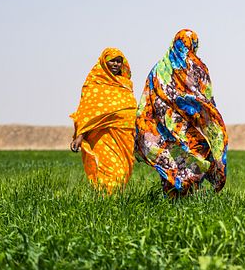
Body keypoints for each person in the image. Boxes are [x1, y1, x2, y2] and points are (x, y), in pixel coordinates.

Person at [135, 29, 228, 198]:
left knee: (176, 156)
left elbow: (145, 101)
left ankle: (180, 195)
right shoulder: (195, 67)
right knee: (195, 152)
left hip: (165, 125)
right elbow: (205, 97)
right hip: (176, 124)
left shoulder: (158, 69)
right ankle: (180, 196)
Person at [69, 48, 138, 194]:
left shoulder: (126, 84)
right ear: (104, 62)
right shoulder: (95, 83)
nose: (115, 64)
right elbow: (88, 112)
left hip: (125, 137)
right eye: (112, 60)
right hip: (103, 136)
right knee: (110, 170)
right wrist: (80, 136)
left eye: (119, 61)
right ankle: (106, 202)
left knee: (123, 171)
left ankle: (115, 203)